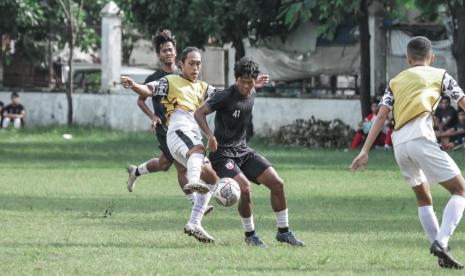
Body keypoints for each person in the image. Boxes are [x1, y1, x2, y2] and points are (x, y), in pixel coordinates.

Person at [351, 36, 465, 270]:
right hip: (421, 137)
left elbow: (382, 115)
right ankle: (441, 242)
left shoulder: (396, 80)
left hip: (399, 144)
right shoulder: (440, 74)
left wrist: (364, 151)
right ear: (431, 57)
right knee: (460, 190)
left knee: (424, 198)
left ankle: (441, 252)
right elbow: (462, 101)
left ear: (409, 59)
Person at [194, 57, 304, 248]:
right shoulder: (225, 95)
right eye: (241, 82)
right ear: (236, 79)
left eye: (249, 82)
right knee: (245, 188)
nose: (245, 86)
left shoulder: (252, 89)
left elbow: (252, 88)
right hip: (222, 155)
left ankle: (284, 232)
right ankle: (250, 235)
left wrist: (257, 84)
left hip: (243, 150)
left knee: (277, 183)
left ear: (254, 80)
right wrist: (210, 136)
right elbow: (199, 113)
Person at [121, 47, 219, 243]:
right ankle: (193, 184)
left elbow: (227, 96)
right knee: (195, 154)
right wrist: (134, 85)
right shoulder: (169, 80)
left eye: (198, 63)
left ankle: (194, 222)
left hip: (191, 133)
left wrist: (250, 87)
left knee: (212, 179)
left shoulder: (203, 87)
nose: (195, 67)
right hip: (176, 130)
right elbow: (147, 91)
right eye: (191, 63)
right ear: (181, 64)